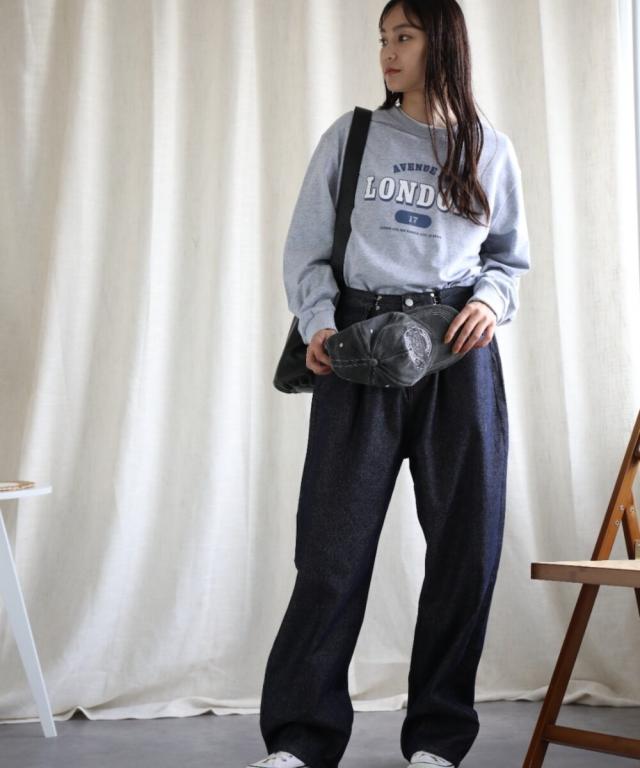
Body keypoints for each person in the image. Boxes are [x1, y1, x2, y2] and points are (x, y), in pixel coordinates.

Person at [247, 1, 530, 767]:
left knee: (465, 554)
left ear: (443, 44)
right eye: (383, 38)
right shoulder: (353, 136)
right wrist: (317, 323)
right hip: (359, 352)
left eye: (403, 36)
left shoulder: (489, 150)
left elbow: (507, 261)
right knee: (330, 553)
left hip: (456, 356)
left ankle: (437, 741)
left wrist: (489, 301)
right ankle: (300, 741)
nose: (388, 52)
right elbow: (306, 249)